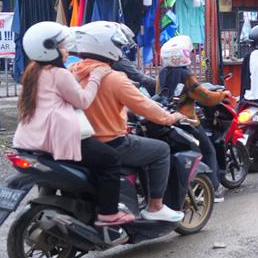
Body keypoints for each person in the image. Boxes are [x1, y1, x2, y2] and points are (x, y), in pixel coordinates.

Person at [13, 22, 130, 228]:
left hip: (30, 140)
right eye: (62, 47)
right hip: (59, 138)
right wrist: (95, 77)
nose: (66, 51)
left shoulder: (33, 71)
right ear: (49, 49)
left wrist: (78, 76)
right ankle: (109, 214)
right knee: (111, 159)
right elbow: (83, 101)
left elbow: (61, 87)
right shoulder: (60, 73)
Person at [71, 22, 188, 223]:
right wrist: (170, 118)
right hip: (110, 142)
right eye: (118, 46)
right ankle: (155, 206)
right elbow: (144, 106)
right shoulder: (114, 78)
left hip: (81, 142)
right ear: (107, 47)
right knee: (160, 150)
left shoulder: (73, 71)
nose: (120, 51)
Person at [158, 35, 227, 202]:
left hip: (167, 117)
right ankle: (215, 188)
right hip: (187, 121)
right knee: (208, 150)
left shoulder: (162, 73)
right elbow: (205, 97)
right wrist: (222, 94)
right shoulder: (186, 75)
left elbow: (160, 93)